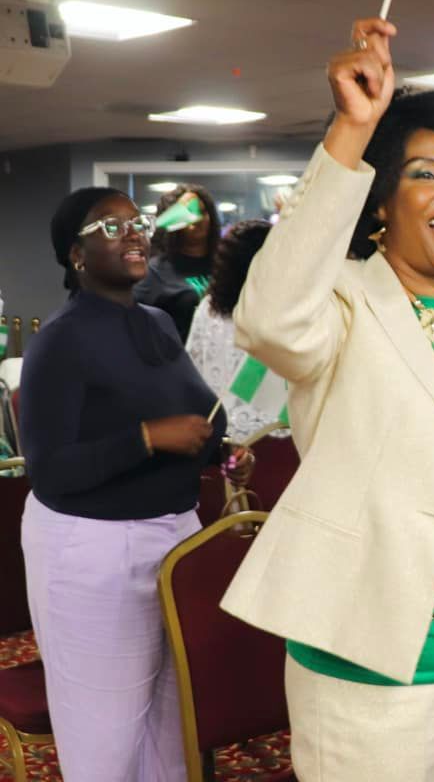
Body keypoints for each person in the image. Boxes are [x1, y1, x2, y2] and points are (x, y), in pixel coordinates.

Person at [221, 17, 434, 782]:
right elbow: (269, 318)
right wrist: (352, 129)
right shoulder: (342, 305)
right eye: (423, 173)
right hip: (373, 669)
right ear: (378, 201)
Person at [20, 187, 227, 782]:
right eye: (109, 227)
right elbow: (51, 467)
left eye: (135, 222)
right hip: (94, 549)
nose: (133, 232)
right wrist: (146, 437)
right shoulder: (60, 339)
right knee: (105, 733)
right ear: (75, 256)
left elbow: (202, 410)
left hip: (175, 536)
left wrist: (217, 439)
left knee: (173, 723)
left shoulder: (159, 321)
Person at [186, 219, 290, 441]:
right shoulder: (287, 311)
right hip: (279, 434)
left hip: (223, 434)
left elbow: (193, 369)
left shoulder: (209, 309)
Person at [134, 183, 220, 343]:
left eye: (202, 211)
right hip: (178, 362)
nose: (198, 219)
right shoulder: (155, 271)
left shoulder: (225, 264)